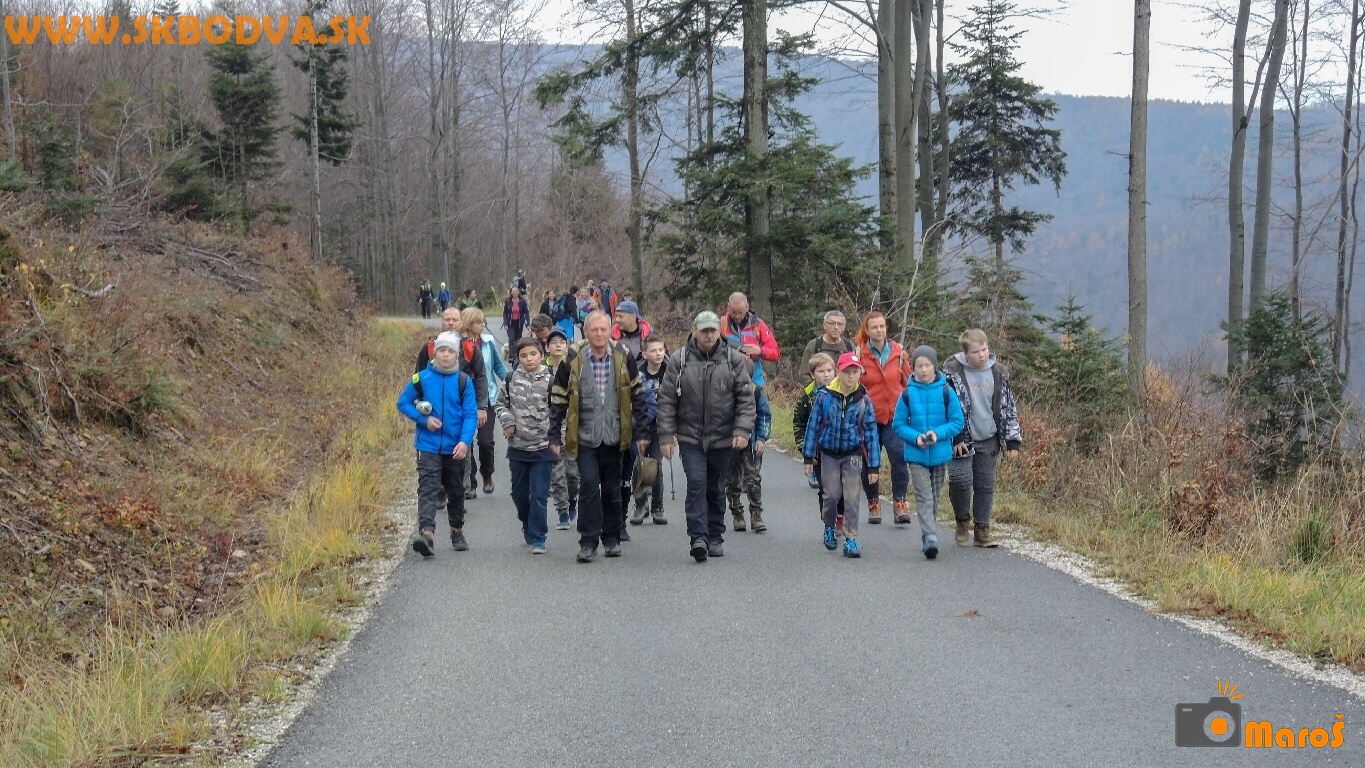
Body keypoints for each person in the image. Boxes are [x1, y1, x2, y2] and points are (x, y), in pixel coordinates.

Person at [547, 311, 648, 563]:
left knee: (613, 488)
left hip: (616, 435)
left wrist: (643, 431)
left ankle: (612, 538)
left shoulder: (623, 356)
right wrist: (554, 436)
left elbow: (638, 395)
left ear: (609, 330)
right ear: (587, 332)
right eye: (594, 330)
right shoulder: (573, 359)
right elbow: (558, 397)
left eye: (603, 329)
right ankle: (588, 541)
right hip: (584, 436)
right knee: (590, 486)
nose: (599, 334)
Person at [657, 310, 756, 563]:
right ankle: (698, 538)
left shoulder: (733, 360)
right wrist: (666, 435)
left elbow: (746, 399)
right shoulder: (679, 360)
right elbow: (667, 400)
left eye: (713, 330)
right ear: (695, 331)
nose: (709, 335)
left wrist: (742, 431)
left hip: (723, 437)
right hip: (690, 436)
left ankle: (715, 535)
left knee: (715, 486)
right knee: (697, 483)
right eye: (704, 330)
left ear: (718, 332)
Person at [396, 331, 477, 557]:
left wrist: (464, 442)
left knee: (456, 490)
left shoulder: (464, 381)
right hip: (427, 445)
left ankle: (456, 530)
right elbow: (403, 403)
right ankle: (427, 535)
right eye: (441, 350)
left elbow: (470, 414)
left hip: (455, 447)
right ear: (435, 352)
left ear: (457, 355)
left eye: (450, 351)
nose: (445, 355)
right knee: (428, 489)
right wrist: (424, 420)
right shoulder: (420, 379)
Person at [942, 328, 1022, 549]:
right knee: (960, 482)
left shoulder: (998, 373)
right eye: (976, 351)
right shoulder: (952, 373)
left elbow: (1007, 407)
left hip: (989, 436)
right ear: (966, 353)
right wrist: (956, 436)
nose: (982, 355)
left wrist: (1012, 440)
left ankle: (982, 529)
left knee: (985, 485)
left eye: (985, 349)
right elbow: (948, 407)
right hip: (962, 438)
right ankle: (961, 519)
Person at [803, 352, 880, 559]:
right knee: (831, 495)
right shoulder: (825, 396)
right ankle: (829, 525)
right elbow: (812, 427)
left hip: (853, 454)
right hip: (828, 454)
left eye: (855, 372)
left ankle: (851, 538)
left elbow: (871, 433)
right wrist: (808, 457)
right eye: (847, 372)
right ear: (839, 371)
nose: (851, 376)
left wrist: (873, 466)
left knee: (852, 498)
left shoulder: (863, 399)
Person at [892, 345, 965, 560]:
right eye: (918, 366)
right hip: (916, 454)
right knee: (924, 495)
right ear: (912, 368)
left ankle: (927, 535)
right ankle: (931, 536)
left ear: (934, 365)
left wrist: (937, 433)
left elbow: (957, 421)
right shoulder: (907, 393)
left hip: (940, 452)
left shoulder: (946, 391)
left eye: (927, 365)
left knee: (933, 496)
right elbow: (898, 424)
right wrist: (915, 437)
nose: (923, 370)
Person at [496, 337, 558, 554]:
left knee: (539, 495)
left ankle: (539, 537)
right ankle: (527, 524)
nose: (529, 359)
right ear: (518, 358)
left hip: (543, 447)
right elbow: (500, 403)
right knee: (519, 494)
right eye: (524, 356)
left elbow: (561, 412)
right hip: (518, 448)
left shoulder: (551, 380)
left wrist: (558, 439)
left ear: (542, 355)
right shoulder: (511, 378)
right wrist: (508, 422)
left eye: (533, 354)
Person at [854, 311, 912, 526]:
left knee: (899, 457)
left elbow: (908, 384)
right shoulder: (859, 354)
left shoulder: (899, 353)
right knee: (870, 461)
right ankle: (873, 504)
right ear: (867, 331)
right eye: (874, 327)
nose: (879, 330)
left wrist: (910, 410)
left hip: (894, 417)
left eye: (882, 326)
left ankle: (900, 503)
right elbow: (852, 384)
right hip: (868, 418)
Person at [415, 308, 491, 467]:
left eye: (454, 320)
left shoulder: (470, 348)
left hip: (462, 408)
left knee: (462, 452)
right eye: (447, 319)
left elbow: (481, 377)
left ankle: (467, 489)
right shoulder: (429, 347)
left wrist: (482, 407)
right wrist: (419, 408)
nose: (450, 323)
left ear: (461, 323)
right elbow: (417, 379)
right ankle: (437, 488)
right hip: (434, 410)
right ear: (441, 321)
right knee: (432, 453)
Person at [460, 307, 508, 498]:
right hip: (463, 399)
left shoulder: (487, 343)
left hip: (486, 398)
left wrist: (511, 382)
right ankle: (470, 483)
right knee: (466, 442)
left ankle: (487, 474)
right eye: (479, 322)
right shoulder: (457, 345)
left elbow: (498, 366)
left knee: (485, 441)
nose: (483, 325)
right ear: (469, 324)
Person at [793, 352, 841, 529]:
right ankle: (828, 522)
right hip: (818, 451)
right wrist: (805, 451)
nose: (826, 374)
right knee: (826, 489)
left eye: (830, 370)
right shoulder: (806, 396)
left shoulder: (842, 390)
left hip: (838, 448)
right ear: (813, 374)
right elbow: (799, 424)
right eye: (821, 371)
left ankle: (840, 516)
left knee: (841, 488)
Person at [630, 337, 669, 525]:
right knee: (638, 464)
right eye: (654, 350)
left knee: (656, 465)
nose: (658, 353)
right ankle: (640, 504)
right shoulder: (637, 374)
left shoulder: (670, 372)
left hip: (660, 426)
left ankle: (658, 506)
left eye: (661, 349)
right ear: (645, 354)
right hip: (640, 425)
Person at [545, 328, 580, 530]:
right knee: (556, 473)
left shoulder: (575, 368)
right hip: (550, 429)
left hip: (573, 429)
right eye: (553, 342)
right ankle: (563, 512)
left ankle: (573, 498)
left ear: (567, 346)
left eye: (562, 341)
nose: (558, 345)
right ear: (547, 347)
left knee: (573, 473)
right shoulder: (541, 370)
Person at [727, 382, 771, 533]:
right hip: (729, 442)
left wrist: (761, 438)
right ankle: (737, 513)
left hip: (751, 443)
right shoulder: (724, 389)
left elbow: (764, 416)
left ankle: (756, 514)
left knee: (753, 478)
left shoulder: (755, 391)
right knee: (732, 480)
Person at [719, 292, 780, 388]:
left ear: (747, 307)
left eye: (740, 312)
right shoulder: (722, 324)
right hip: (728, 377)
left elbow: (775, 353)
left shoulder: (758, 325)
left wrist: (760, 350)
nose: (737, 316)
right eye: (734, 312)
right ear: (728, 308)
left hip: (754, 378)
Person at [801, 311, 856, 380]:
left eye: (839, 324)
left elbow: (856, 372)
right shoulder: (814, 346)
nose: (836, 327)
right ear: (824, 325)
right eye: (832, 323)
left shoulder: (850, 347)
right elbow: (804, 374)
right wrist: (817, 390)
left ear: (844, 327)